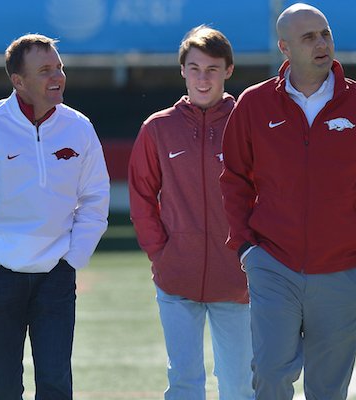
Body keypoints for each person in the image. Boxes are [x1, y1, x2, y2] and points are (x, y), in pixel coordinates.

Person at [219, 3, 356, 399]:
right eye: (308, 37)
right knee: (268, 374)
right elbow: (233, 179)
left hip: (346, 271)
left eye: (325, 34)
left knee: (327, 389)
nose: (321, 44)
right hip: (273, 265)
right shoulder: (254, 103)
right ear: (285, 48)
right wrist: (248, 248)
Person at [0, 34, 110, 400]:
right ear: (18, 81)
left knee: (55, 386)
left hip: (57, 277)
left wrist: (72, 259)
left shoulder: (79, 126)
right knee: (3, 388)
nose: (58, 76)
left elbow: (96, 199)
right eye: (45, 70)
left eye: (60, 67)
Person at [128, 25, 254, 399]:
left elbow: (272, 193)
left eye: (212, 68)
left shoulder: (247, 123)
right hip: (176, 278)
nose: (203, 78)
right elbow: (141, 195)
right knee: (183, 383)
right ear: (182, 70)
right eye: (195, 68)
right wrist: (161, 253)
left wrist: (255, 253)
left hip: (238, 279)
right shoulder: (158, 128)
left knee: (238, 386)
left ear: (228, 71)